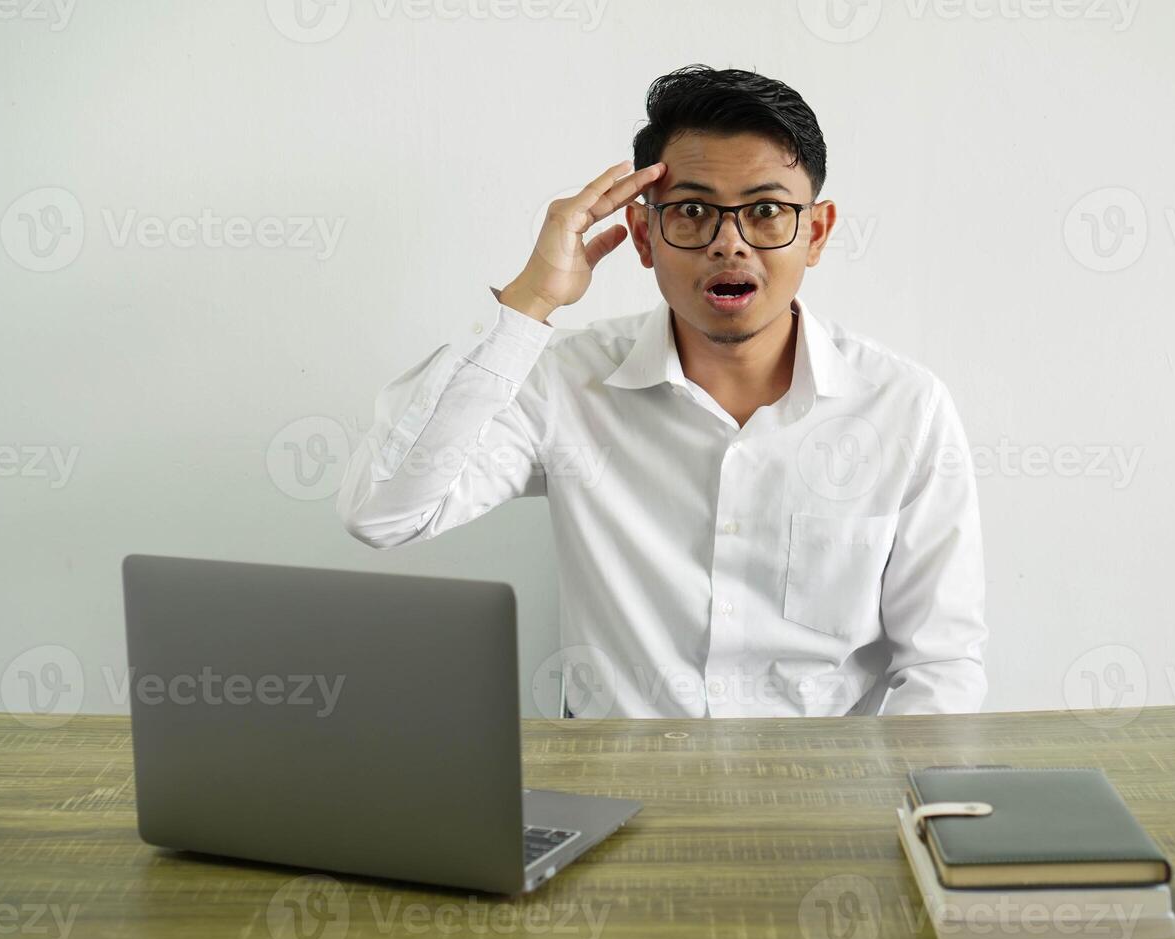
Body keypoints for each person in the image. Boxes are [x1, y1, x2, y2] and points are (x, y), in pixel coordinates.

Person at [337, 64, 987, 718]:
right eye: (693, 211)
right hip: (619, 795)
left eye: (766, 212)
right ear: (645, 237)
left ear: (814, 233)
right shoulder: (567, 384)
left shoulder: (904, 406)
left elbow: (940, 665)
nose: (728, 243)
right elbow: (384, 513)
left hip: (824, 796)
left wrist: (877, 810)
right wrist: (530, 300)